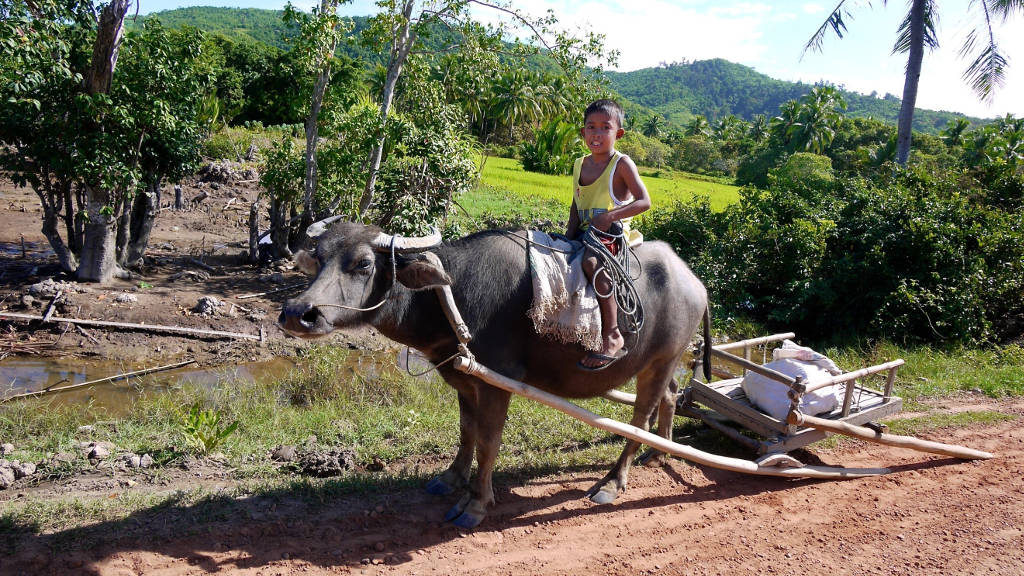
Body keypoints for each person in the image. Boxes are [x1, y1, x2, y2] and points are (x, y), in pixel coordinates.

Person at [565, 99, 651, 371]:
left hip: (612, 234)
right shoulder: (580, 164)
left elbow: (644, 201)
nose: (597, 134)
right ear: (583, 132)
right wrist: (568, 235)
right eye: (591, 127)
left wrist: (610, 217)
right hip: (585, 232)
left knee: (591, 263)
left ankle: (613, 334)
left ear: (618, 133)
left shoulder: (621, 164)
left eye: (605, 128)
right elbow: (577, 203)